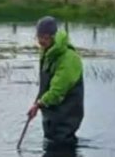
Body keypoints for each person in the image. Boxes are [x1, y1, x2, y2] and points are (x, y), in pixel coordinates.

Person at [27, 16, 84, 145]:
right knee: (52, 140)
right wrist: (37, 104)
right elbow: (45, 85)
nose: (41, 41)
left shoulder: (69, 58)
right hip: (51, 114)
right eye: (39, 37)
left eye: (45, 37)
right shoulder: (47, 52)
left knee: (62, 145)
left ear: (53, 36)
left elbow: (57, 91)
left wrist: (39, 103)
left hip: (66, 114)